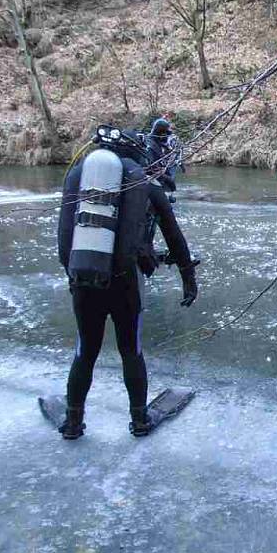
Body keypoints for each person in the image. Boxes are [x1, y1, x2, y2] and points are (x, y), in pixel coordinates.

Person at [57, 126, 198, 440]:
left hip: (83, 281)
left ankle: (73, 422)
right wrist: (189, 279)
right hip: (124, 284)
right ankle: (139, 420)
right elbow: (175, 237)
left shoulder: (79, 180)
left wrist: (72, 275)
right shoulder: (146, 186)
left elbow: (66, 236)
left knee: (85, 351)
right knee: (130, 351)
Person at [145, 117, 182, 193]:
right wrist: (168, 179)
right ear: (161, 133)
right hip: (154, 180)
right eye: (166, 134)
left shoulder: (157, 143)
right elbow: (151, 168)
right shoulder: (150, 145)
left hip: (161, 174)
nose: (167, 136)